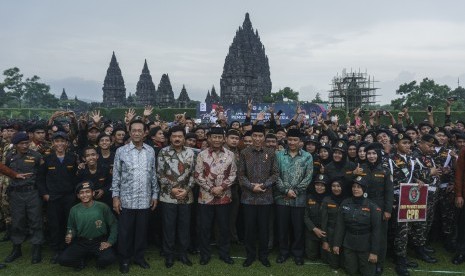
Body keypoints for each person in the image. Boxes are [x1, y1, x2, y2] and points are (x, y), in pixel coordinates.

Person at [111, 119, 159, 274]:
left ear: (145, 133)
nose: (137, 133)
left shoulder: (150, 151)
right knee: (125, 232)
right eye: (134, 130)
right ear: (129, 132)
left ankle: (139, 257)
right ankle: (124, 259)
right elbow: (116, 176)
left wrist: (155, 194)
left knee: (141, 232)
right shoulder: (121, 151)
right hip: (126, 200)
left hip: (145, 199)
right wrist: (115, 197)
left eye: (140, 130)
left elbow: (153, 175)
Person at [195, 127, 237, 266]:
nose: (217, 140)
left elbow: (233, 175)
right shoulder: (202, 155)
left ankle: (224, 253)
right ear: (209, 138)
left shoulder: (230, 155)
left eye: (220, 137)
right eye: (214, 137)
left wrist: (221, 188)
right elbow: (198, 175)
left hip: (224, 197)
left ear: (224, 139)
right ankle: (205, 254)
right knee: (205, 227)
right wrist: (212, 188)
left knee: (224, 227)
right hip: (205, 197)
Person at [238, 125, 278, 267]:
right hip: (248, 198)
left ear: (264, 137)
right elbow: (241, 175)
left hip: (265, 198)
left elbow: (275, 174)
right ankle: (250, 255)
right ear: (251, 136)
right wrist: (251, 186)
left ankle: (263, 255)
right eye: (255, 136)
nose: (257, 139)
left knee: (264, 228)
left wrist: (264, 185)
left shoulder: (271, 153)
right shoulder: (244, 153)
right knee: (249, 228)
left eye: (260, 136)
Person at [157, 126, 196, 268]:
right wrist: (171, 188)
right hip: (168, 196)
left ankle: (183, 254)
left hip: (186, 196)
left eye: (180, 136)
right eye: (174, 136)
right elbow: (160, 174)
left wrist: (186, 190)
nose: (177, 139)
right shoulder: (163, 152)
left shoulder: (191, 153)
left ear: (184, 138)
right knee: (169, 227)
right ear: (170, 138)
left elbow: (194, 174)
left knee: (184, 227)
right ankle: (169, 255)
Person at [37, 131, 78, 263]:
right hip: (53, 197)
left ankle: (69, 247)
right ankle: (56, 250)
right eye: (57, 141)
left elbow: (77, 177)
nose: (59, 144)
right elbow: (40, 179)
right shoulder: (47, 159)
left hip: (69, 197)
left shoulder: (73, 158)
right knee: (55, 224)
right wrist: (45, 194)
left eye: (62, 141)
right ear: (53, 143)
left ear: (66, 143)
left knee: (69, 223)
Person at [58, 181, 117, 271]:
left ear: (93, 193)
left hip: (99, 242)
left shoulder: (102, 207)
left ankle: (99, 263)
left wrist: (109, 242)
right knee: (63, 259)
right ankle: (80, 262)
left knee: (110, 258)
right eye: (81, 193)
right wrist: (69, 235)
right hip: (81, 242)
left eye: (87, 192)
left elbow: (114, 224)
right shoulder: (74, 210)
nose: (85, 195)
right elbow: (71, 228)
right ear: (78, 195)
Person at [275, 128, 313, 265]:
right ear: (286, 140)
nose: (291, 142)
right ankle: (283, 252)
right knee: (282, 228)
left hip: (299, 199)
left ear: (300, 142)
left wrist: (295, 191)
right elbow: (276, 175)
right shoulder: (279, 155)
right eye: (289, 139)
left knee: (298, 228)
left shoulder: (307, 157)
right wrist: (286, 191)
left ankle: (298, 254)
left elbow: (308, 177)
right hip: (281, 198)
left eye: (295, 140)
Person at [4, 132, 44, 264]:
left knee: (35, 221)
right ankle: (16, 248)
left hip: (32, 193)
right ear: (16, 145)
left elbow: (42, 175)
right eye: (22, 143)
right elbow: (6, 171)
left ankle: (36, 249)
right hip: (16, 194)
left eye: (26, 143)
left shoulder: (37, 156)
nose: (25, 145)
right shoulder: (10, 157)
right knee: (17, 222)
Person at [333, 176, 381, 276]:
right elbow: (340, 226)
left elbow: (377, 231)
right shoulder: (345, 203)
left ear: (364, 189)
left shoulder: (372, 206)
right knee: (350, 271)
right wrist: (336, 244)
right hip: (349, 243)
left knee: (368, 273)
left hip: (365, 245)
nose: (355, 189)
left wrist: (374, 252)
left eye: (359, 187)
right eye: (354, 186)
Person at [359, 142, 393, 275]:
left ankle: (379, 263)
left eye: (374, 153)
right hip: (364, 205)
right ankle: (367, 259)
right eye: (369, 154)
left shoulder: (385, 170)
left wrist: (388, 210)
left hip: (379, 207)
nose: (371, 156)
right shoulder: (361, 168)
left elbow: (389, 192)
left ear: (378, 154)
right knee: (366, 234)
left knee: (380, 236)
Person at [321, 178, 345, 269]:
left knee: (345, 265)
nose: (336, 188)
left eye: (338, 186)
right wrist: (325, 241)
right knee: (334, 265)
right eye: (333, 186)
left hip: (343, 232)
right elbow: (324, 222)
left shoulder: (347, 200)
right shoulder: (326, 200)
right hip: (331, 231)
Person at [304, 174, 328, 261]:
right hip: (312, 231)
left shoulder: (329, 199)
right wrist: (314, 229)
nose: (319, 187)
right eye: (317, 185)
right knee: (311, 256)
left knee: (325, 258)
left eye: (322, 185)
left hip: (325, 232)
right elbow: (305, 216)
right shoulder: (309, 197)